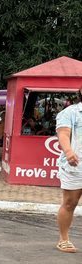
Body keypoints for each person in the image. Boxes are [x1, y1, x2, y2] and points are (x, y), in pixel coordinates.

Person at [55, 86, 82, 253]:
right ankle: (63, 239)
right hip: (75, 166)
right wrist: (69, 151)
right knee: (70, 203)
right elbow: (63, 133)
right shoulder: (71, 112)